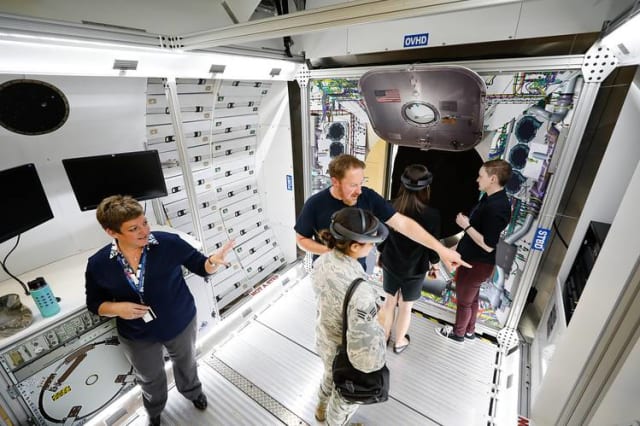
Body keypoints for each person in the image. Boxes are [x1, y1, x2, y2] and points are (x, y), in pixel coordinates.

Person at [84, 195, 234, 426]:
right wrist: (116, 308)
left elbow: (201, 266)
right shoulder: (98, 264)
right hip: (137, 334)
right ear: (112, 232)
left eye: (145, 223)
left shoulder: (168, 243)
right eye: (134, 228)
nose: (144, 231)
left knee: (186, 363)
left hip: (179, 321)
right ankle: (154, 410)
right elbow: (95, 304)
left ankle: (193, 393)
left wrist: (212, 261)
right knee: (149, 378)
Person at [295, 154, 469, 272]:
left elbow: (402, 223)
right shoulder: (315, 204)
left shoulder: (368, 197)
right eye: (353, 185)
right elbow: (301, 240)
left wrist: (440, 249)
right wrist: (331, 252)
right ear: (335, 181)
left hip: (358, 271)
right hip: (327, 271)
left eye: (361, 183)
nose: (359, 191)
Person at [312, 207, 388, 426]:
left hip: (324, 340)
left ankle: (320, 408)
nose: (373, 247)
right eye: (371, 243)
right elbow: (364, 355)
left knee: (328, 375)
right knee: (344, 397)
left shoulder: (322, 262)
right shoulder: (362, 291)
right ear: (355, 246)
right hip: (343, 353)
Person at [437, 159, 512, 342]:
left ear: (493, 179)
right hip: (473, 260)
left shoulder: (497, 208)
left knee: (464, 302)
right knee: (472, 299)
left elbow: (488, 244)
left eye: (481, 176)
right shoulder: (490, 198)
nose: (477, 179)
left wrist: (466, 225)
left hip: (477, 264)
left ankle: (458, 334)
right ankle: (470, 330)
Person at [378, 164, 441, 353]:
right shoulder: (432, 215)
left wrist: (381, 253)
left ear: (402, 185)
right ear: (427, 188)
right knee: (406, 306)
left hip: (391, 262)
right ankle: (399, 342)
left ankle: (383, 337)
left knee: (389, 302)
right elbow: (433, 246)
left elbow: (381, 237)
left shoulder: (388, 206)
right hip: (415, 268)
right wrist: (435, 265)